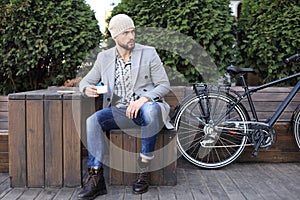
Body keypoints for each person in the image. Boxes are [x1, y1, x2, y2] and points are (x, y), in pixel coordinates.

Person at [78, 14, 172, 200]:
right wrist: (86, 89)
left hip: (146, 108)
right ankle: (96, 178)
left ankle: (144, 168)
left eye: (133, 31)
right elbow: (85, 81)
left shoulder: (149, 53)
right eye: (126, 33)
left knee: (151, 110)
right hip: (120, 112)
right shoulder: (103, 57)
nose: (131, 36)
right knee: (93, 121)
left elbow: (164, 85)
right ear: (115, 37)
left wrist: (143, 99)